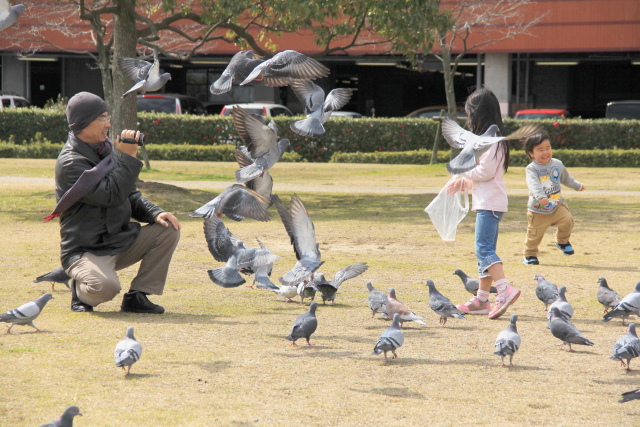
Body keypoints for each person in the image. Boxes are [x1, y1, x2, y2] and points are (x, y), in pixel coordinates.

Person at [47, 91, 180, 313]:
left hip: (118, 240)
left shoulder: (106, 151)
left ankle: (137, 296)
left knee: (168, 228)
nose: (108, 124)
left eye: (108, 117)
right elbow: (111, 196)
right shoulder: (71, 163)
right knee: (106, 287)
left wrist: (156, 213)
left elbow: (129, 194)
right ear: (83, 122)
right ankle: (80, 290)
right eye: (102, 118)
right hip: (86, 249)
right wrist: (128, 157)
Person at [445, 87, 520, 320]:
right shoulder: (489, 140)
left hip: (491, 205)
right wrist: (462, 184)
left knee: (484, 249)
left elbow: (485, 172)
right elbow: (484, 178)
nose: (468, 119)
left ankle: (504, 289)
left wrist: (462, 172)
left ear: (478, 114)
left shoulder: (494, 141)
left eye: (470, 113)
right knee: (484, 253)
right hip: (489, 202)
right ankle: (482, 299)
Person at [522, 131, 584, 265]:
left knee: (568, 221)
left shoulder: (557, 164)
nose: (545, 152)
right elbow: (533, 184)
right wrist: (540, 196)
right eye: (540, 150)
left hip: (557, 205)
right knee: (534, 235)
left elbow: (567, 178)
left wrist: (578, 186)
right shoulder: (531, 169)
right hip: (538, 209)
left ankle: (562, 242)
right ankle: (530, 255)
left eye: (548, 148)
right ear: (531, 153)